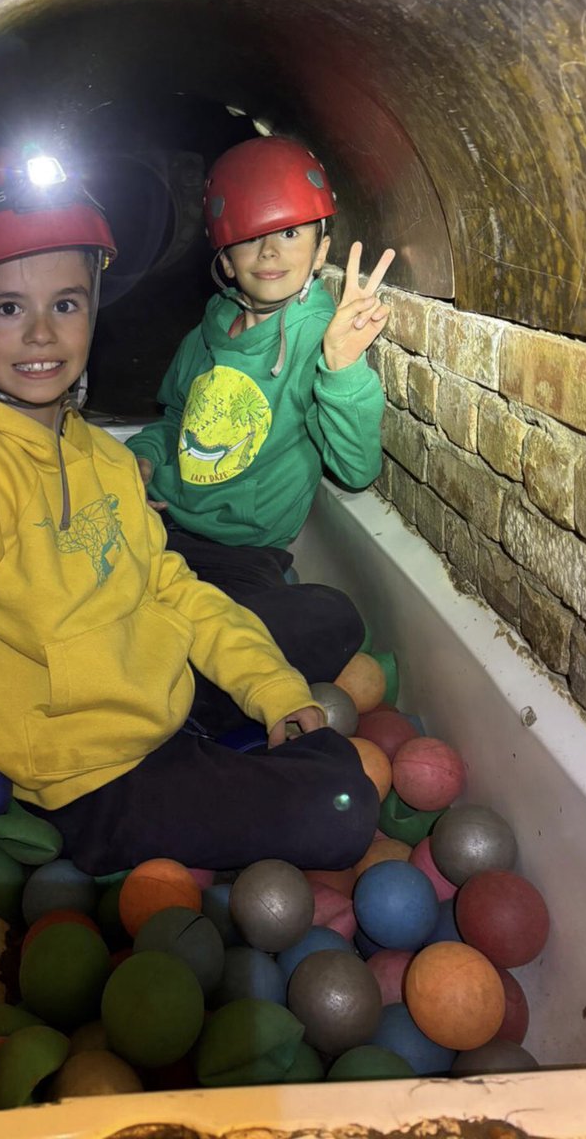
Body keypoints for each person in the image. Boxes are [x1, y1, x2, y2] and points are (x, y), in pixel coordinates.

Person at [0, 145, 378, 875]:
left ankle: (215, 734)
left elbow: (172, 589)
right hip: (93, 777)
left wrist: (269, 690)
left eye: (65, 303)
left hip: (157, 690)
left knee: (329, 617)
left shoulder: (103, 458)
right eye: (7, 307)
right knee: (344, 805)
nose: (42, 334)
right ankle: (202, 769)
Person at [127, 136, 394, 731]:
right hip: (156, 531)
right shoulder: (207, 333)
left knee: (333, 620)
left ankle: (153, 678)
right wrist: (142, 462)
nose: (270, 251)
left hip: (239, 564)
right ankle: (165, 679)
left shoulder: (322, 335)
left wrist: (343, 365)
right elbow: (171, 420)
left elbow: (356, 469)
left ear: (322, 245)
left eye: (291, 233)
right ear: (224, 256)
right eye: (250, 235)